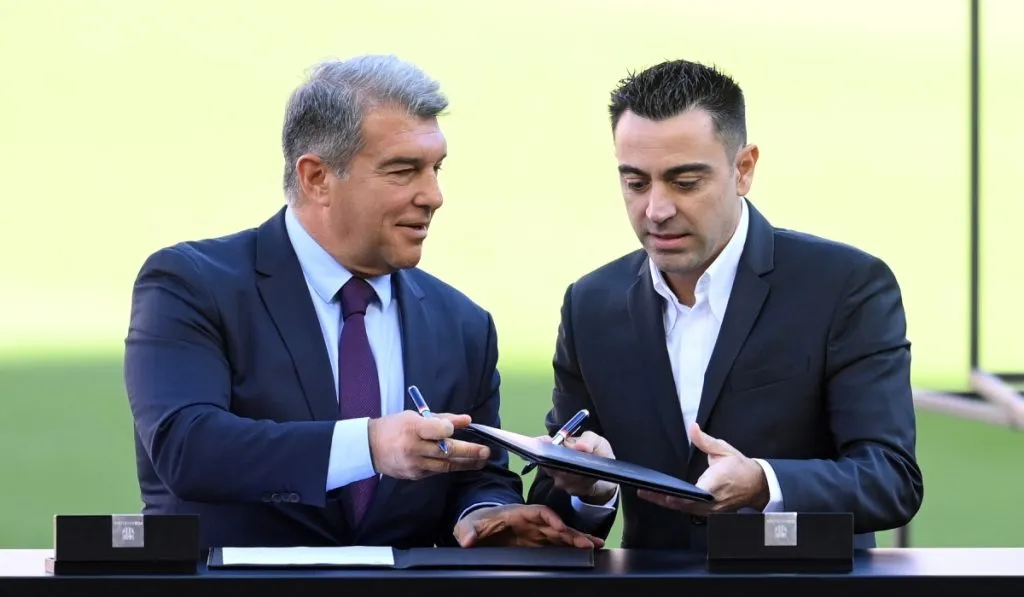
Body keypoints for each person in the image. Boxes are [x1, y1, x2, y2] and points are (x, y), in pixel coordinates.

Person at [123, 54, 602, 550]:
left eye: (436, 168)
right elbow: (188, 447)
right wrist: (370, 446)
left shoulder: (462, 324)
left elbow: (476, 476)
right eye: (403, 170)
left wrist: (484, 514)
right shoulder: (192, 283)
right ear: (316, 178)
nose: (433, 195)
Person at [526, 59, 924, 550]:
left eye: (685, 182)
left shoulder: (846, 287)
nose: (656, 209)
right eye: (635, 183)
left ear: (744, 169)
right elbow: (552, 508)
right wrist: (594, 486)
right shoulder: (590, 305)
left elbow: (890, 479)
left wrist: (763, 482)